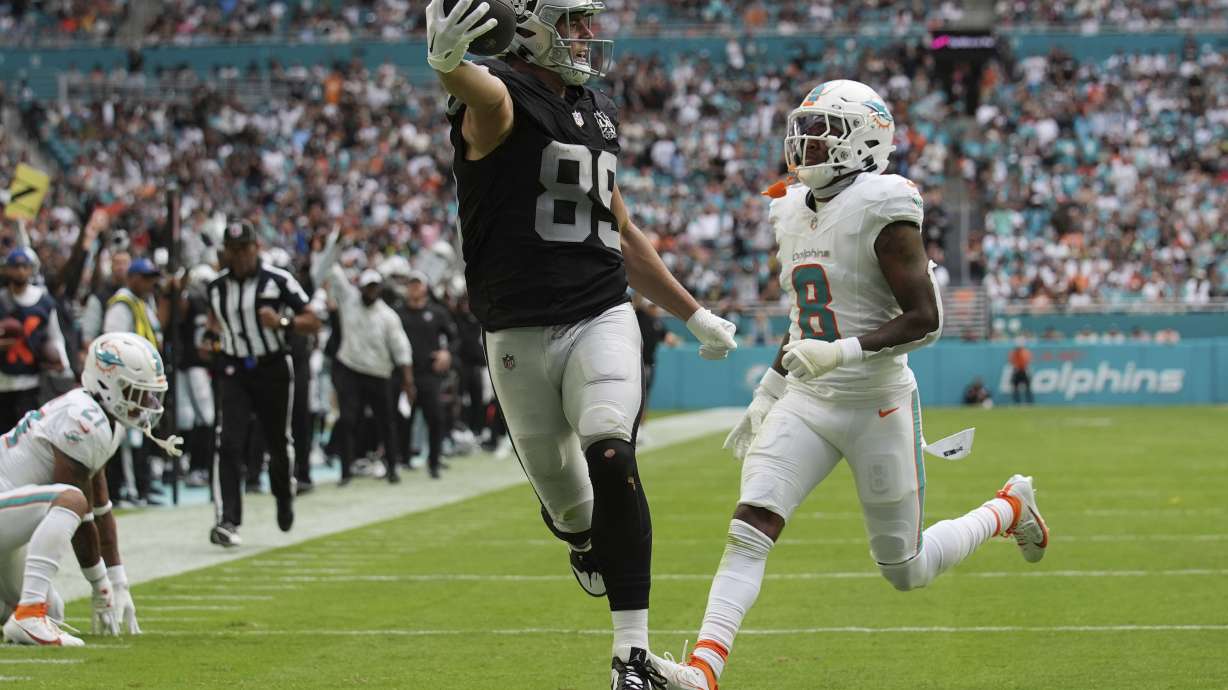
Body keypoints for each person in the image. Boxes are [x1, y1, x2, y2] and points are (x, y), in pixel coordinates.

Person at [655, 81, 1050, 690]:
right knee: (750, 524)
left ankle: (1007, 508)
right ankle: (704, 671)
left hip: (877, 402)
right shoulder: (788, 206)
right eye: (803, 129)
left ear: (865, 140)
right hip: (810, 401)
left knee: (906, 568)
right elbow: (801, 319)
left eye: (822, 132)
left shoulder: (883, 205)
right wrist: (767, 391)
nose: (804, 143)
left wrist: (840, 353)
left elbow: (927, 320)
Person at [426, 0, 739, 685]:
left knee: (609, 445)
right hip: (515, 332)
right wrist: (449, 64)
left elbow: (619, 230)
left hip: (600, 312)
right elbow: (480, 93)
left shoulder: (596, 109)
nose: (584, 36)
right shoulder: (506, 95)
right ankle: (582, 540)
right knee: (573, 510)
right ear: (531, 27)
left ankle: (631, 658)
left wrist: (691, 313)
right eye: (568, 22)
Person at [0, 332, 177, 646]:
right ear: (107, 383)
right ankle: (28, 613)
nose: (145, 404)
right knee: (69, 500)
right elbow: (77, 510)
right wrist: (99, 585)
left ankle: (27, 613)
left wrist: (118, 581)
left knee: (53, 610)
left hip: (7, 516)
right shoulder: (82, 419)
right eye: (135, 392)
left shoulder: (102, 418)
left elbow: (101, 506)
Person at [204, 220, 320, 548]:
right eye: (234, 250)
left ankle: (283, 496)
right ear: (226, 252)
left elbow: (313, 320)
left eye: (245, 249)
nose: (240, 256)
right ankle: (228, 520)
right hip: (234, 367)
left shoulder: (278, 280)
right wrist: (210, 338)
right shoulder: (217, 287)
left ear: (256, 247)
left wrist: (282, 321)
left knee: (277, 441)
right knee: (228, 442)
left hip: (272, 366)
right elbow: (215, 322)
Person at [312, 229, 414, 485]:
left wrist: (407, 380)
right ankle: (345, 472)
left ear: (379, 289)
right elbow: (328, 270)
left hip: (379, 372)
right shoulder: (348, 299)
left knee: (385, 421)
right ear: (361, 286)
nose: (370, 291)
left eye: (374, 287)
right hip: (349, 368)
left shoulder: (388, 316)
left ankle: (392, 467)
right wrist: (334, 243)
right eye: (367, 286)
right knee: (347, 420)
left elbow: (401, 348)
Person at [102, 257, 166, 506]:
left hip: (144, 379)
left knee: (142, 432)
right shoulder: (122, 304)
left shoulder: (142, 302)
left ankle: (141, 485)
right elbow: (113, 340)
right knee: (125, 436)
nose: (150, 284)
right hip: (127, 378)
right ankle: (123, 490)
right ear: (133, 278)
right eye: (146, 278)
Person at [392, 270, 453, 479]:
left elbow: (455, 338)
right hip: (403, 375)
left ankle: (434, 461)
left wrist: (447, 353)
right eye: (410, 284)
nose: (414, 288)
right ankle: (403, 459)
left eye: (417, 284)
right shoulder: (397, 313)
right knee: (402, 419)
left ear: (425, 287)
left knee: (435, 417)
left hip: (429, 374)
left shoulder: (437, 312)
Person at [0, 248, 68, 433]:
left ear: (31, 269)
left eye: (24, 266)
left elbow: (55, 336)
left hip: (32, 380)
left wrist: (63, 363)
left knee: (27, 435)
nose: (20, 271)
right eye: (15, 266)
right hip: (3, 379)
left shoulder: (44, 301)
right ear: (7, 269)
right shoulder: (2, 300)